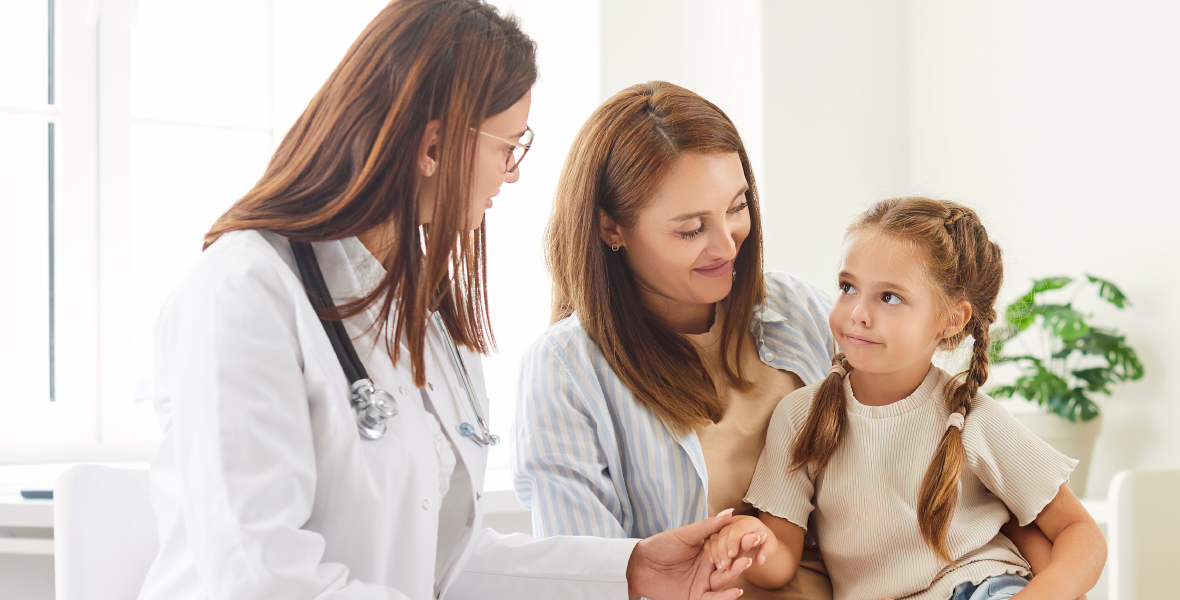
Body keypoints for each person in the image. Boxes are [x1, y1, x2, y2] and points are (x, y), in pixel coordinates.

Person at [136, 2, 751, 599]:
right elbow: (259, 579)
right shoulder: (244, 294)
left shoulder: (422, 313)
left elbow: (449, 566)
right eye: (508, 147)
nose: (512, 173)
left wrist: (632, 572)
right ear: (434, 147)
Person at [706, 198, 1107, 600]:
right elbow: (778, 567)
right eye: (848, 287)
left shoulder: (972, 418)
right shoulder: (799, 417)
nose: (858, 313)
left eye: (889, 297)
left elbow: (1080, 532)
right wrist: (752, 542)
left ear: (952, 319)